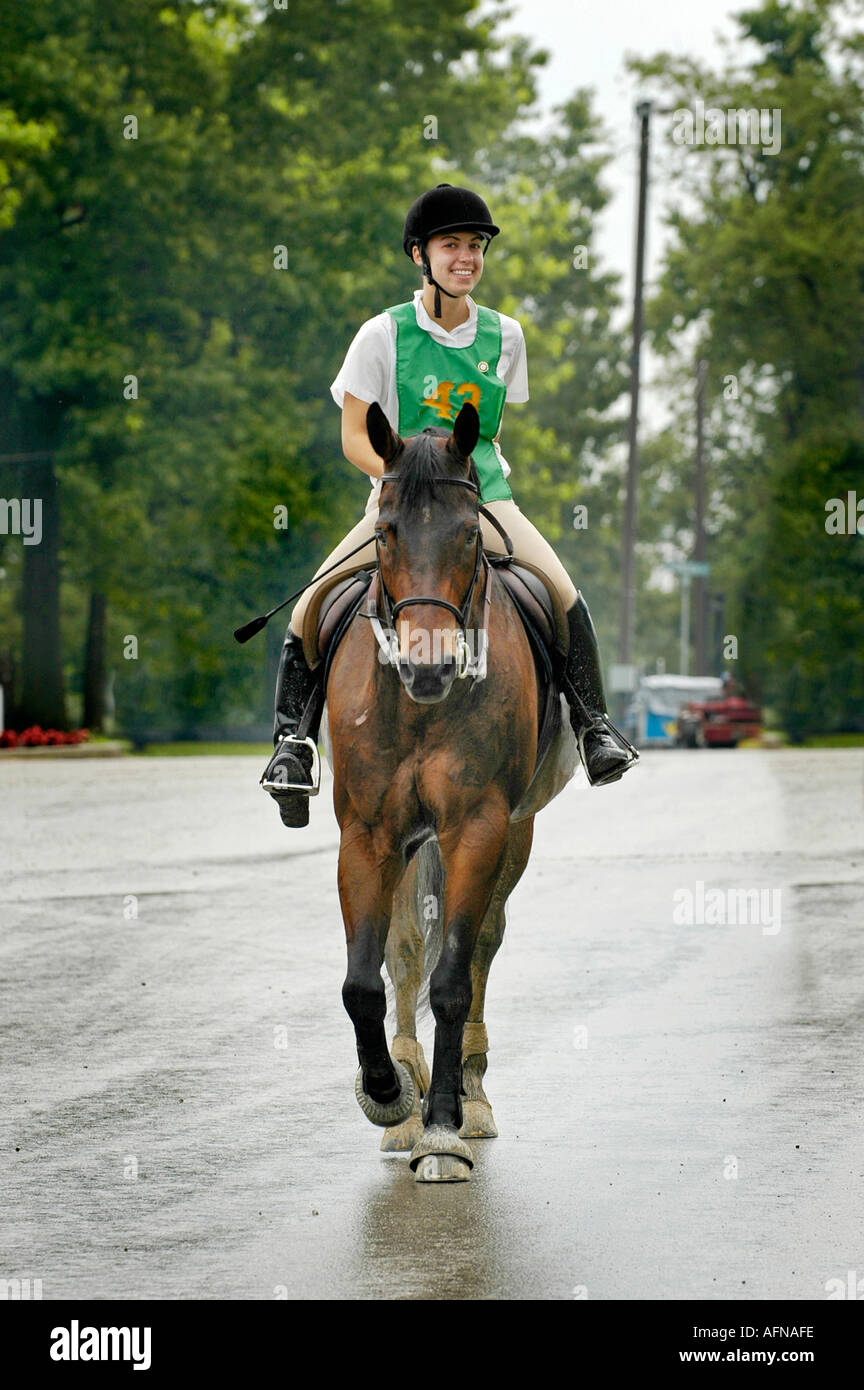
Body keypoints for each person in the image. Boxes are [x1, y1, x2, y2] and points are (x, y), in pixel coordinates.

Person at [261, 183, 636, 826]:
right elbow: (353, 435)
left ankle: (596, 726)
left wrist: (452, 492)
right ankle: (291, 747)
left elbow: (486, 434)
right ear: (420, 255)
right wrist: (408, 486)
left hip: (482, 500)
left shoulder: (506, 335)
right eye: (450, 245)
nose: (465, 258)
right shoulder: (381, 335)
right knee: (311, 606)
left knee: (562, 593)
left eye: (474, 246)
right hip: (400, 503)